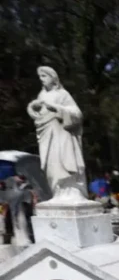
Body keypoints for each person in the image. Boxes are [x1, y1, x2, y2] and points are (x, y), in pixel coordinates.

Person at [26, 66, 86, 198]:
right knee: (51, 166)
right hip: (46, 135)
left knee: (64, 161)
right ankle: (58, 193)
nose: (41, 79)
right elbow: (39, 116)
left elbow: (77, 114)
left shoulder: (62, 94)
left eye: (44, 76)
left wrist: (57, 108)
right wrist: (35, 110)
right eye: (40, 77)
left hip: (62, 134)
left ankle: (72, 192)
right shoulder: (41, 96)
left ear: (53, 78)